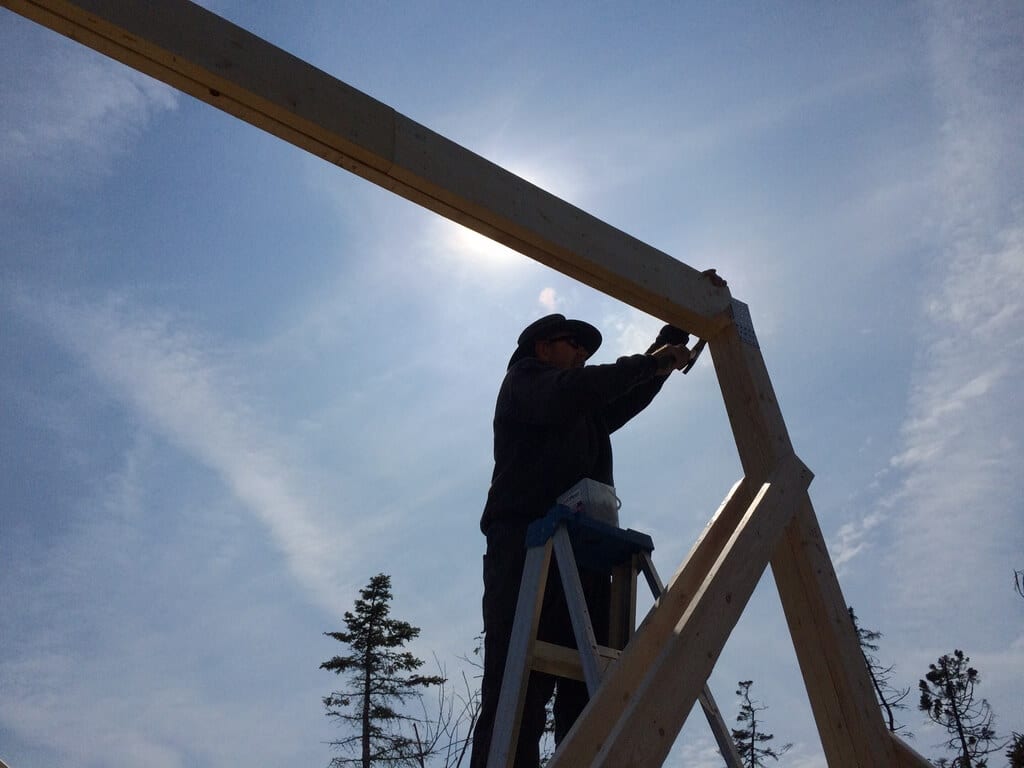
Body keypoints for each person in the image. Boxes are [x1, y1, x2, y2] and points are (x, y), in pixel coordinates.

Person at [469, 313, 697, 768]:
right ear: (541, 348)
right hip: (525, 547)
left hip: (582, 553)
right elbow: (584, 388)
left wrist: (674, 336)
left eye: (586, 350)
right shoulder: (526, 382)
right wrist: (651, 364)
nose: (581, 354)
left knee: (592, 691)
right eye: (572, 343)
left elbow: (626, 392)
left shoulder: (580, 408)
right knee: (517, 695)